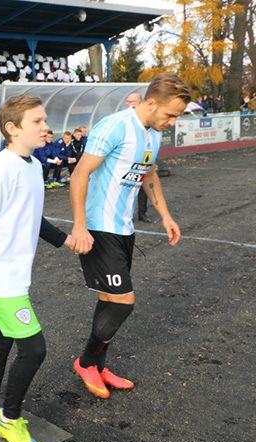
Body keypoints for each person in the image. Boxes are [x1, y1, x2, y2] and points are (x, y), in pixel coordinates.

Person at [68, 73, 189, 399]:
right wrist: (80, 225)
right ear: (151, 103)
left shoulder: (153, 136)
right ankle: (86, 362)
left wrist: (165, 216)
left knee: (109, 300)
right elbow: (80, 174)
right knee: (123, 302)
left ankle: (99, 366)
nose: (172, 121)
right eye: (170, 114)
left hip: (125, 230)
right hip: (99, 227)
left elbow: (149, 175)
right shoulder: (115, 126)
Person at [0, 94, 73, 442]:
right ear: (12, 129)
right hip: (2, 281)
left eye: (45, 120)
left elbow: (30, 216)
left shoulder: (31, 166)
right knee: (34, 349)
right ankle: (9, 419)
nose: (47, 127)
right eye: (38, 122)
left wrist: (65, 240)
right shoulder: (0, 168)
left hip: (15, 277)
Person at [125, 92, 154, 223]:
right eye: (128, 102)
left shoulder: (146, 122)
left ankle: (142, 213)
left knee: (143, 189)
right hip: (125, 163)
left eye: (133, 103)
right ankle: (125, 215)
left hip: (142, 161)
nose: (130, 105)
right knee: (125, 190)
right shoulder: (123, 120)